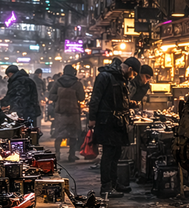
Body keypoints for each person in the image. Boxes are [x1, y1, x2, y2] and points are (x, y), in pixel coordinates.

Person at [89, 59, 139, 193]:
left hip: (118, 123)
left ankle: (114, 183)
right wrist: (92, 118)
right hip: (107, 122)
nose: (132, 77)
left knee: (116, 154)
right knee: (108, 154)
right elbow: (95, 98)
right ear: (130, 69)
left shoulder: (121, 79)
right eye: (134, 73)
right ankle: (106, 187)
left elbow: (116, 100)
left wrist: (129, 104)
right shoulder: (105, 76)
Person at [49, 65, 86, 158]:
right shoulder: (77, 83)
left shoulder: (58, 82)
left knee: (59, 134)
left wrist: (59, 98)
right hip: (73, 112)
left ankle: (57, 153)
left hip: (60, 112)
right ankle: (71, 155)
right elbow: (81, 97)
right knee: (73, 134)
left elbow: (51, 96)